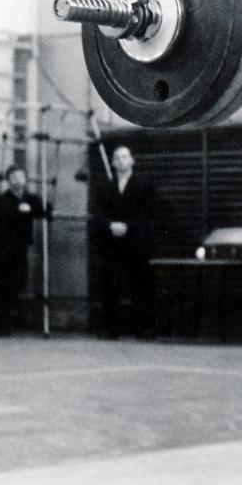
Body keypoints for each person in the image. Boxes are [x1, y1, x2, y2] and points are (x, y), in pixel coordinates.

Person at [92, 145, 155, 339]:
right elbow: (98, 212)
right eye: (117, 158)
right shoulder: (105, 186)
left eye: (125, 157)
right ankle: (110, 329)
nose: (121, 161)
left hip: (135, 242)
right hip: (111, 243)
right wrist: (110, 225)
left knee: (139, 285)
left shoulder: (144, 185)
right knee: (110, 284)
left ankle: (144, 329)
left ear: (132, 160)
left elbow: (147, 212)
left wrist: (128, 226)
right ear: (112, 162)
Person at [0, 165, 50, 336]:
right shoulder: (2, 198)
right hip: (3, 247)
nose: (17, 180)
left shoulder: (30, 198)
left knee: (18, 282)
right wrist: (20, 211)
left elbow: (46, 210)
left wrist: (30, 210)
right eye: (13, 177)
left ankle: (5, 320)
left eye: (20, 176)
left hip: (21, 247)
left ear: (25, 179)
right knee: (1, 285)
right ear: (8, 180)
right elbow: (3, 215)